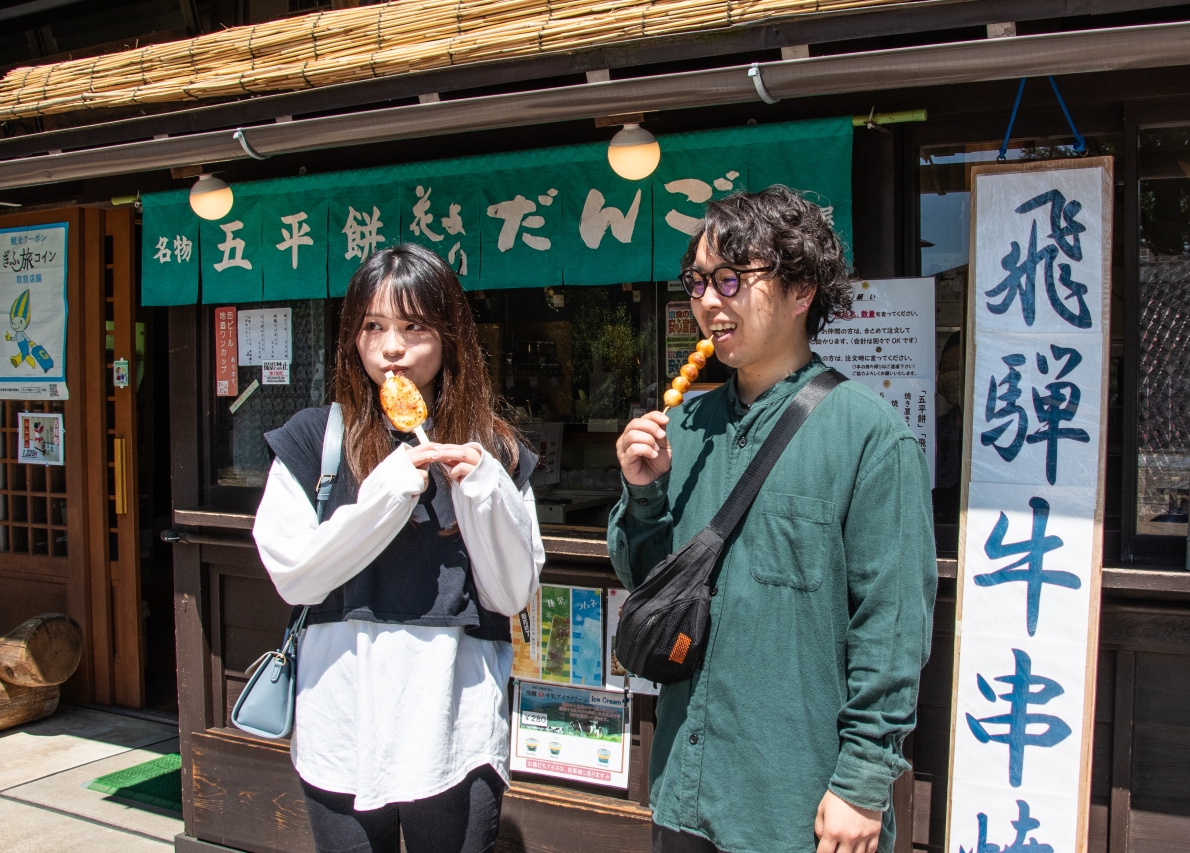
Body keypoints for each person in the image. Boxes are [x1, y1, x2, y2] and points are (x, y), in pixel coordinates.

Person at [609, 187, 937, 853]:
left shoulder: (870, 436)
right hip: (685, 785)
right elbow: (648, 580)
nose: (708, 299)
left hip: (800, 805)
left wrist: (862, 781)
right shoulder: (682, 425)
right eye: (698, 280)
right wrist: (643, 494)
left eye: (732, 277)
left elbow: (893, 623)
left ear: (800, 291)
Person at [253, 243, 544, 853]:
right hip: (341, 722)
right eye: (373, 327)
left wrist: (485, 490)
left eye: (413, 327)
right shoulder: (315, 441)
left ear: (451, 337)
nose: (391, 348)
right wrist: (386, 496)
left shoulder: (493, 448)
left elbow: (511, 591)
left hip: (454, 725)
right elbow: (296, 578)